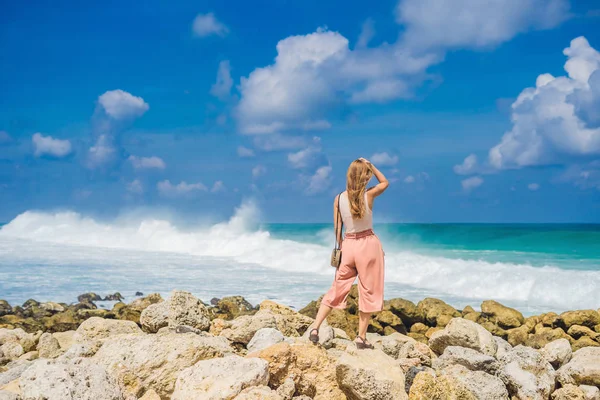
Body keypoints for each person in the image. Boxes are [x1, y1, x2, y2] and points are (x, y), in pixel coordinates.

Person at [309, 157, 389, 349]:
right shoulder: (368, 195)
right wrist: (371, 165)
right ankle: (361, 337)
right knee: (368, 291)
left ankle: (315, 327)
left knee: (337, 287)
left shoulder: (338, 198)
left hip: (348, 245)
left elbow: (338, 229)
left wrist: (342, 247)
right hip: (368, 245)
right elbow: (385, 182)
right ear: (365, 176)